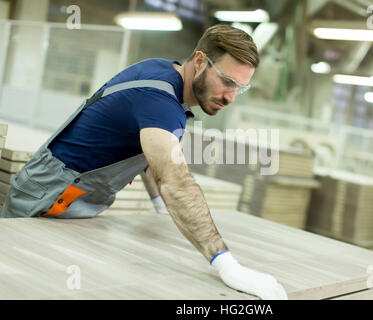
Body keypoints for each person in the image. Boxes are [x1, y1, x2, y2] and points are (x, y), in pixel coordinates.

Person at [0, 24, 287, 300]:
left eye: (241, 88)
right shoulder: (159, 102)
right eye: (227, 81)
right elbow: (175, 181)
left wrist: (160, 211)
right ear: (200, 60)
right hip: (49, 195)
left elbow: (150, 157)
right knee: (21, 283)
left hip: (70, 198)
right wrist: (226, 264)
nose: (231, 97)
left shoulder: (165, 74)